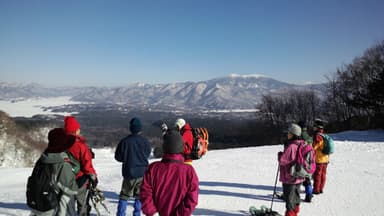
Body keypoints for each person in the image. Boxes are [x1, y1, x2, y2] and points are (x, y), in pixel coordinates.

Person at [140, 130, 199, 216]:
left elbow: (145, 193)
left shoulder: (153, 169)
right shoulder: (189, 171)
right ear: (181, 147)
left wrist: (152, 212)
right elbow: (192, 199)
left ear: (164, 148)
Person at [29, 128, 78, 216]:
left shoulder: (43, 158)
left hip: (40, 206)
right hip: (55, 208)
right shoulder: (62, 163)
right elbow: (69, 189)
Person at [115, 117, 152, 216]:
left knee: (124, 196)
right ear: (140, 128)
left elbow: (118, 157)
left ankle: (121, 214)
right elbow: (147, 154)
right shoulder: (145, 141)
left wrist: (127, 158)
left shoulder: (125, 141)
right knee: (139, 196)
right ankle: (137, 214)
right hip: (142, 172)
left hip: (129, 172)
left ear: (131, 128)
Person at [64, 116, 98, 216]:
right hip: (80, 180)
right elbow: (87, 165)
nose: (79, 130)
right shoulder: (80, 145)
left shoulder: (60, 144)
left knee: (67, 206)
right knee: (82, 205)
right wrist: (94, 177)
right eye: (78, 129)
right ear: (75, 131)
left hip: (65, 180)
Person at [278, 123, 305, 216]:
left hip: (289, 177)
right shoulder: (302, 144)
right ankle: (295, 213)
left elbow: (282, 161)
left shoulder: (291, 146)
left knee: (289, 201)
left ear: (293, 134)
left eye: (289, 133)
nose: (287, 134)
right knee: (296, 197)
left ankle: (290, 214)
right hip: (299, 176)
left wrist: (280, 155)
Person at [298, 121, 314, 203]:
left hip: (301, 158)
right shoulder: (308, 135)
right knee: (307, 178)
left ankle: (294, 195)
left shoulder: (299, 135)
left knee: (297, 177)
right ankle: (309, 194)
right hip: (309, 156)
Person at [312, 118, 329, 195]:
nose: (313, 127)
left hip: (319, 159)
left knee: (317, 175)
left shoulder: (317, 136)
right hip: (325, 158)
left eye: (314, 126)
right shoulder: (324, 134)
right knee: (323, 174)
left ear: (318, 127)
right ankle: (321, 188)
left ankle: (316, 190)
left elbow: (314, 147)